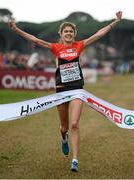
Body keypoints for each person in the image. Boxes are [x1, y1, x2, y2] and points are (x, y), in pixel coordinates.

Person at [9, 11, 122, 172]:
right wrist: (16, 29)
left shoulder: (79, 45)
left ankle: (75, 160)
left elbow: (98, 34)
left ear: (74, 34)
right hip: (61, 90)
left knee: (75, 124)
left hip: (77, 89)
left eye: (71, 31)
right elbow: (35, 39)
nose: (68, 33)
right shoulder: (55, 47)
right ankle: (63, 137)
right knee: (65, 127)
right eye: (66, 31)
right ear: (61, 34)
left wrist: (116, 21)